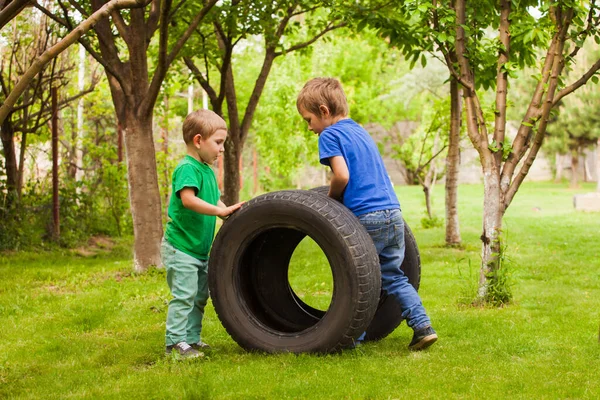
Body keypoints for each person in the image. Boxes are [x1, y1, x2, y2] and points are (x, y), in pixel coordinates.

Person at [296, 77, 437, 351]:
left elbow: (341, 175)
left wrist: (332, 200)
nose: (310, 127)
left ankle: (351, 339)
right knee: (392, 275)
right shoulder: (360, 131)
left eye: (308, 119)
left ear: (324, 111)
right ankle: (423, 326)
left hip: (366, 216)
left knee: (358, 280)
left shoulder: (329, 135)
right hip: (393, 213)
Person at [163, 109, 243, 359]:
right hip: (182, 247)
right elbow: (188, 200)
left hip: (199, 249)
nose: (221, 149)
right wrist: (220, 211)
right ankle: (174, 343)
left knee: (199, 297)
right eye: (218, 143)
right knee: (184, 296)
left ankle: (192, 339)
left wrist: (224, 210)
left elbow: (213, 198)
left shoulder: (206, 170)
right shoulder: (187, 168)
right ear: (198, 140)